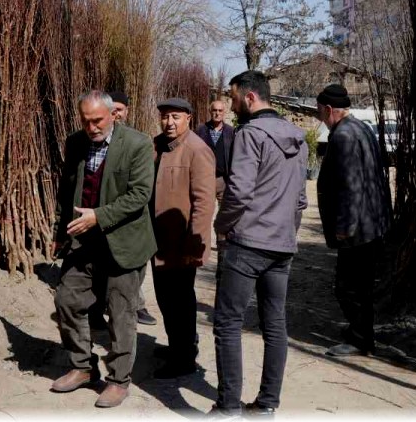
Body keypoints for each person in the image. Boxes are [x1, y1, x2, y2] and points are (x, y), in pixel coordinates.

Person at [210, 70, 308, 416]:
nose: (232, 105)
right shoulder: (298, 137)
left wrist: (222, 226)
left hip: (247, 244)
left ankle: (228, 407)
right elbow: (299, 201)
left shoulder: (250, 135)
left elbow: (238, 192)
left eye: (234, 98)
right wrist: (286, 232)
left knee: (227, 322)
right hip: (282, 246)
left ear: (250, 98)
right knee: (275, 324)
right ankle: (267, 406)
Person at [50, 91, 156, 408]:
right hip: (83, 241)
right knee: (66, 300)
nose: (92, 127)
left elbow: (140, 195)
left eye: (97, 120)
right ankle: (83, 367)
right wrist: (60, 232)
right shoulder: (76, 143)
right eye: (86, 121)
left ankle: (118, 380)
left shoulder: (137, 144)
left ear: (113, 115)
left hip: (123, 242)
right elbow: (67, 189)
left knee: (121, 315)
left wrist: (99, 216)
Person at [315, 84, 393, 357]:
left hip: (357, 226)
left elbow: (351, 185)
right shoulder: (362, 128)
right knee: (360, 285)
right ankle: (360, 333)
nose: (318, 115)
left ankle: (361, 340)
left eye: (318, 110)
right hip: (372, 222)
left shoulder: (344, 136)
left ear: (328, 109)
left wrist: (345, 228)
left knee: (349, 287)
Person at [150, 97, 216, 378]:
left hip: (181, 243)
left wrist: (195, 245)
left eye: (175, 116)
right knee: (165, 298)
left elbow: (204, 202)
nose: (169, 122)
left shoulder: (196, 150)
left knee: (180, 301)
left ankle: (184, 357)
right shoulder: (158, 146)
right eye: (165, 116)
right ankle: (177, 345)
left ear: (189, 117)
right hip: (159, 241)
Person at [93, 91, 157, 328]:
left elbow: (141, 192)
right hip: (101, 222)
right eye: (112, 109)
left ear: (126, 111)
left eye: (120, 109)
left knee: (128, 276)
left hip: (129, 223)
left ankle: (135, 307)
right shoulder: (94, 141)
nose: (116, 113)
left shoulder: (138, 142)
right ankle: (100, 312)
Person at [194, 99, 236, 202]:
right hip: (204, 179)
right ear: (210, 111)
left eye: (220, 110)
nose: (217, 113)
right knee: (203, 209)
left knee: (225, 212)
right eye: (214, 110)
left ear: (224, 112)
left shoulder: (231, 132)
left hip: (222, 180)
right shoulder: (201, 130)